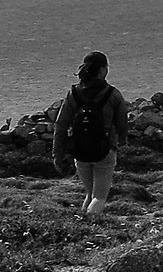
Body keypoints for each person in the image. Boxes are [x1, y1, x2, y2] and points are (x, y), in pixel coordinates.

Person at [53, 50, 130, 217]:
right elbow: (122, 122)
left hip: (80, 152)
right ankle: (88, 227)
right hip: (104, 151)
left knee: (89, 194)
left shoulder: (73, 94)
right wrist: (122, 141)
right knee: (99, 197)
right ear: (102, 70)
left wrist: (57, 155)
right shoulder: (113, 94)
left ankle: (79, 224)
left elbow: (61, 125)